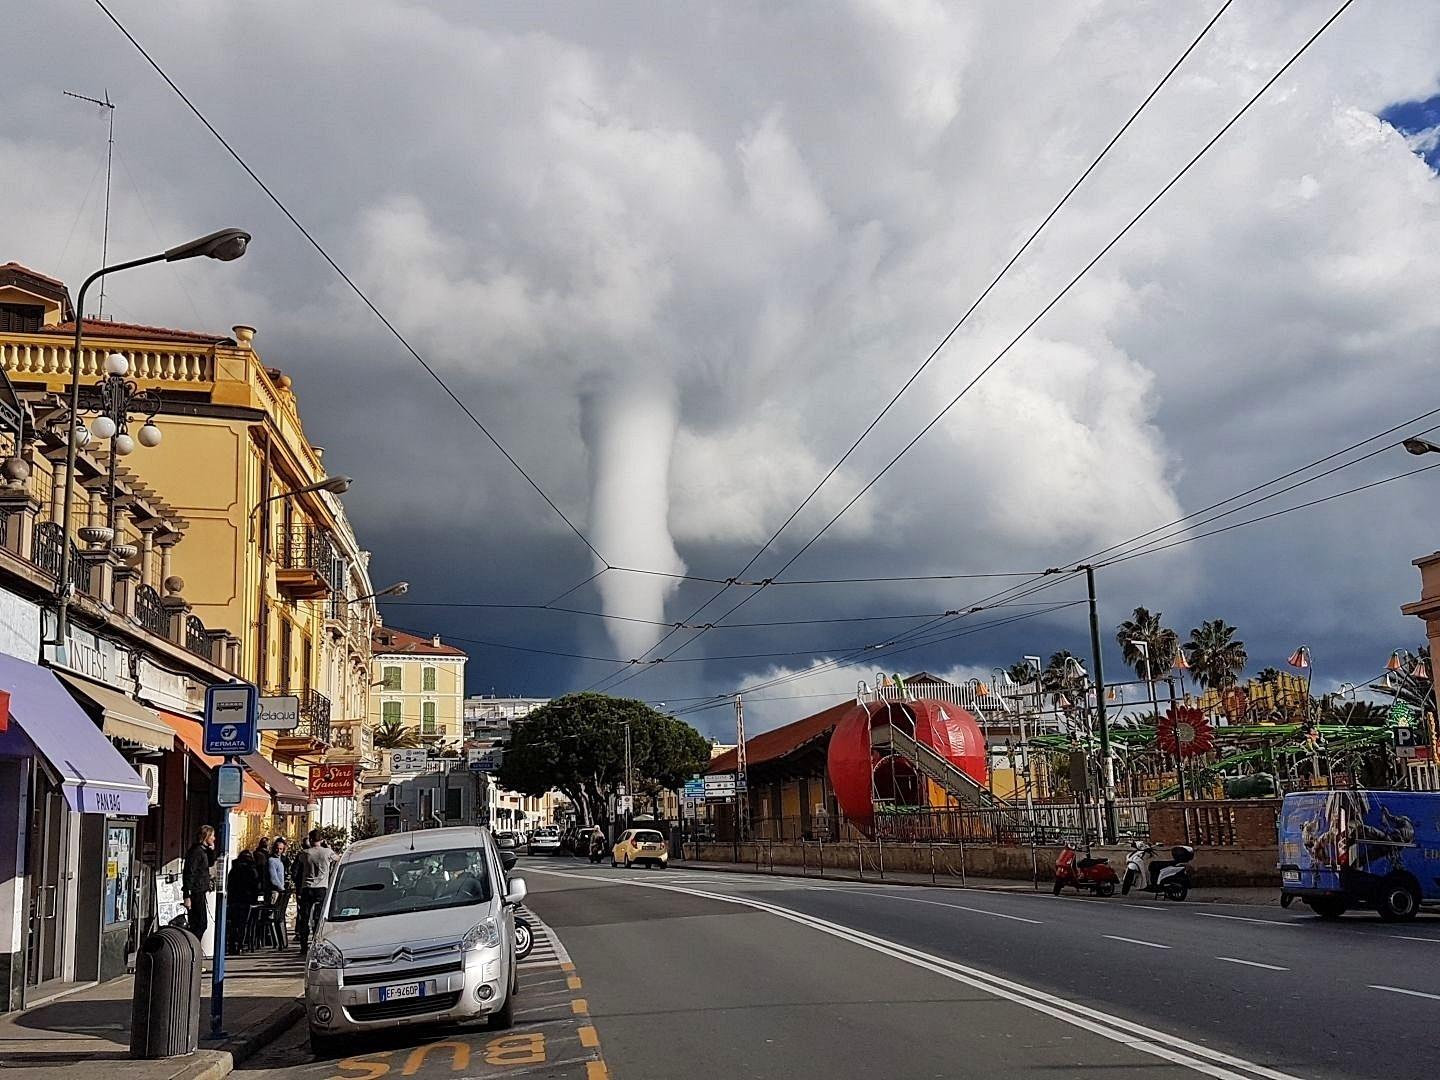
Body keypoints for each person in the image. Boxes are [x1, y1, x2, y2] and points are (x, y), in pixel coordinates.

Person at [294, 829, 337, 952]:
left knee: (305, 916)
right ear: (321, 840)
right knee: (318, 916)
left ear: (310, 839)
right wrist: (329, 847)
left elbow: (296, 870)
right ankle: (317, 940)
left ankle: (303, 944)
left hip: (307, 887)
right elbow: (338, 859)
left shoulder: (305, 853)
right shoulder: (327, 852)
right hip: (321, 887)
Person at [183, 824, 217, 943]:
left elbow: (210, 863)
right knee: (199, 924)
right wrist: (187, 895)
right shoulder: (196, 852)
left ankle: (194, 946)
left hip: (200, 890)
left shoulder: (203, 851)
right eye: (212, 836)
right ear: (206, 836)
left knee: (200, 923)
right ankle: (193, 946)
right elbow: (189, 873)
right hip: (195, 891)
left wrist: (211, 850)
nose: (214, 838)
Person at [268, 837, 290, 950]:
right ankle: (276, 941)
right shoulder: (272, 861)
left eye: (281, 849)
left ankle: (280, 942)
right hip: (275, 892)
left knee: (277, 916)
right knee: (273, 916)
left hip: (280, 891)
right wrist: (282, 888)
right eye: (277, 848)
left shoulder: (280, 861)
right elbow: (273, 878)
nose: (278, 851)